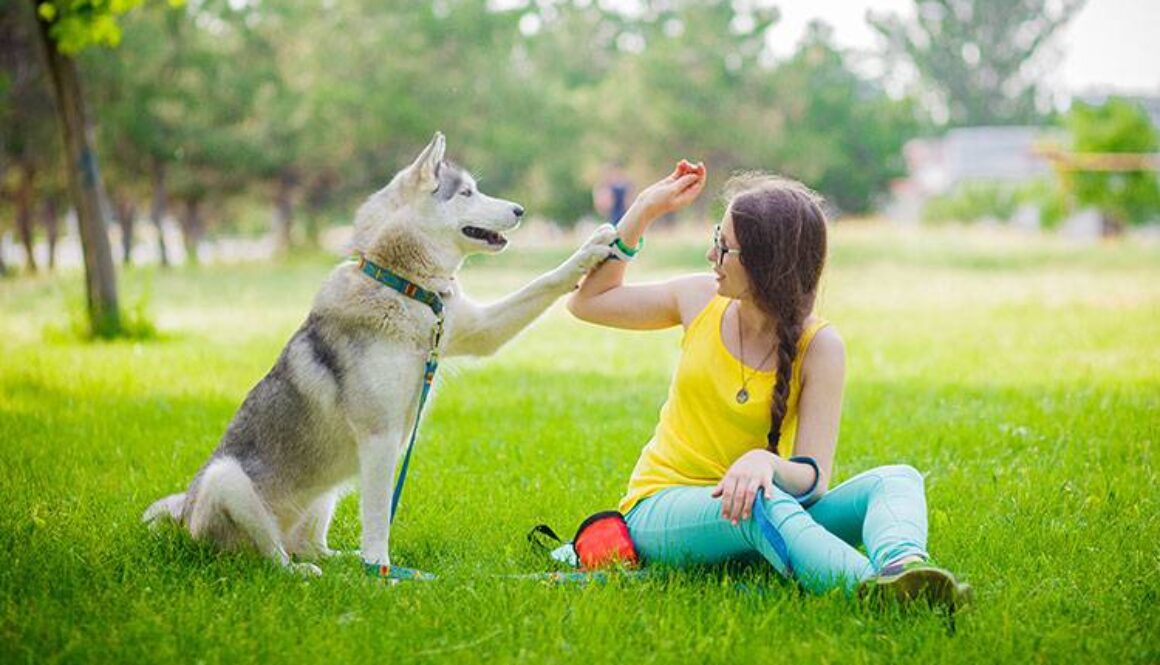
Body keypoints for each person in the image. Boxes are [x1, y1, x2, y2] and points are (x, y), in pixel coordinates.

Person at [567, 160, 971, 607]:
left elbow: (813, 478)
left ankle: (904, 567)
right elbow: (589, 302)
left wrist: (766, 463)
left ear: (765, 263)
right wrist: (642, 210)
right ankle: (875, 591)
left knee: (897, 478)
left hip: (757, 503)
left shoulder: (820, 346)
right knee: (761, 504)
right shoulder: (698, 298)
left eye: (724, 247)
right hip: (662, 507)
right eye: (715, 241)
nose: (711, 257)